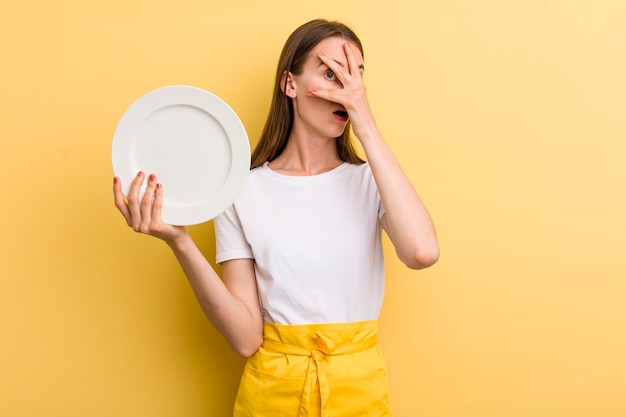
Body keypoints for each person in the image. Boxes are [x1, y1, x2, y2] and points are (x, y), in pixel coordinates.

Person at [114, 18, 439, 417]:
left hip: (359, 395)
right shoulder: (241, 191)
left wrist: (366, 124)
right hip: (272, 396)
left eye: (356, 77)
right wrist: (178, 240)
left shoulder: (372, 180)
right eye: (331, 73)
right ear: (290, 84)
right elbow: (246, 338)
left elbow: (422, 252)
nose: (348, 90)